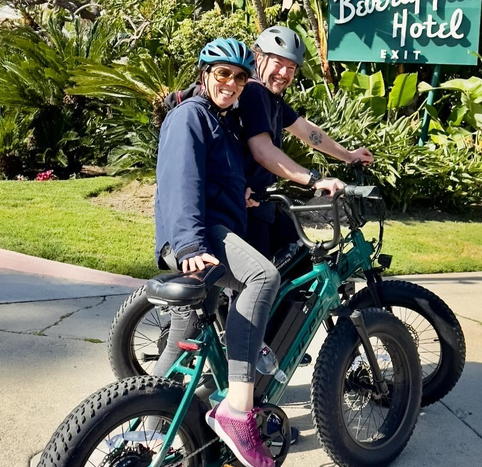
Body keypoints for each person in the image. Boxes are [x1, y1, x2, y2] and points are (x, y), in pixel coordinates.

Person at [154, 37, 277, 467]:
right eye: (223, 73)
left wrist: (239, 190)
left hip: (212, 231)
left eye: (241, 77)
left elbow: (214, 176)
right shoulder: (190, 116)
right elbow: (179, 182)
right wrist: (189, 244)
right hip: (200, 237)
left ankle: (146, 426)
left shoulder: (221, 121)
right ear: (205, 73)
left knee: (183, 335)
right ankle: (238, 412)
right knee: (263, 277)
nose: (232, 83)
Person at [168, 26, 374, 258]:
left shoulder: (270, 97)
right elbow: (262, 151)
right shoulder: (254, 93)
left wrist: (348, 155)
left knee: (301, 259)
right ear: (259, 59)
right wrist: (315, 180)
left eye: (291, 68)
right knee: (263, 281)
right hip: (247, 207)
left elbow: (305, 130)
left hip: (263, 202)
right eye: (278, 63)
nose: (284, 73)